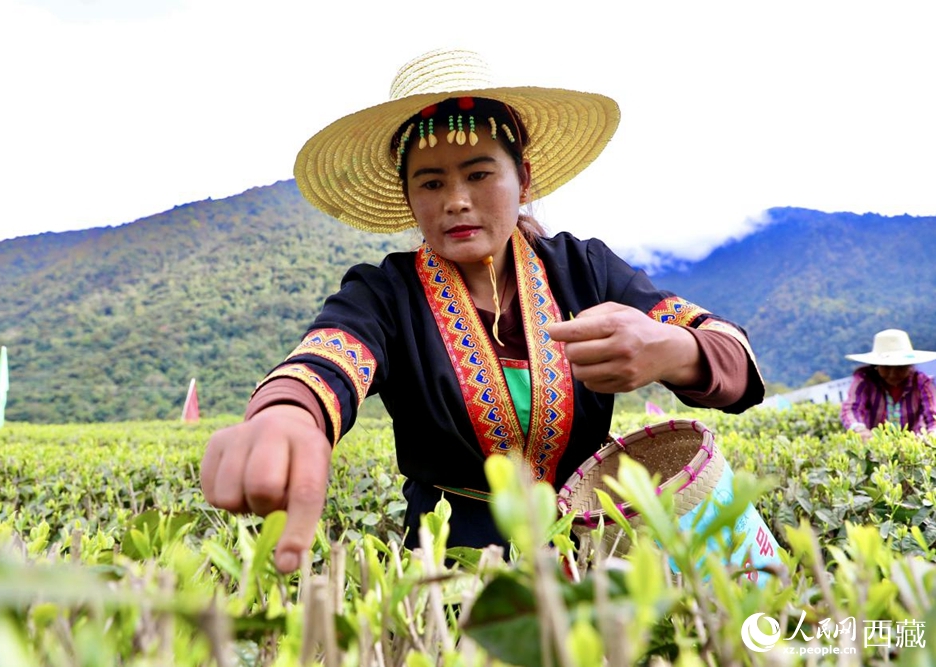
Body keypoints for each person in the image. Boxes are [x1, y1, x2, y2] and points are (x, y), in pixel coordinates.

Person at [200, 49, 765, 573]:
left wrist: (674, 350)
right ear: (409, 198)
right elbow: (328, 359)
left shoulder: (584, 270)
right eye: (431, 182)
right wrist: (288, 414)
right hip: (452, 577)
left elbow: (732, 359)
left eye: (478, 174)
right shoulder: (386, 293)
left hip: (596, 560)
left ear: (524, 178)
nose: (456, 200)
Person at [840, 329, 936, 442]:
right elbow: (851, 409)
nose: (892, 374)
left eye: (900, 367)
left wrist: (931, 435)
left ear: (909, 366)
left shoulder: (921, 382)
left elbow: (933, 414)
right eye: (886, 367)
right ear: (876, 365)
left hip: (912, 443)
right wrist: (860, 430)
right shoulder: (865, 380)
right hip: (874, 445)